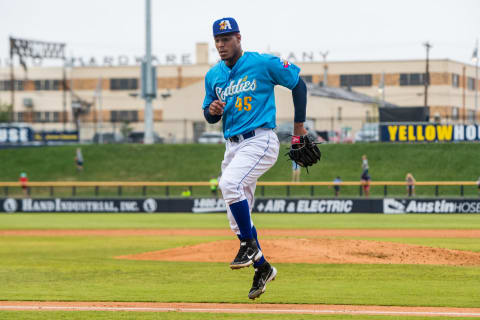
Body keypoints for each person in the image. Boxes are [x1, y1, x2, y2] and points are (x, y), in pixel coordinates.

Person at [202, 17, 308, 300]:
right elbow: (209, 115)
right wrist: (212, 110)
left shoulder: (262, 63)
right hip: (232, 145)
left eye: (227, 39)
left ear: (239, 38)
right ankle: (262, 267)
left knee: (229, 185)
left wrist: (298, 129)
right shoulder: (213, 76)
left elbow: (299, 84)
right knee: (236, 219)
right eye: (218, 41)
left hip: (261, 138)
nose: (222, 45)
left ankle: (249, 245)